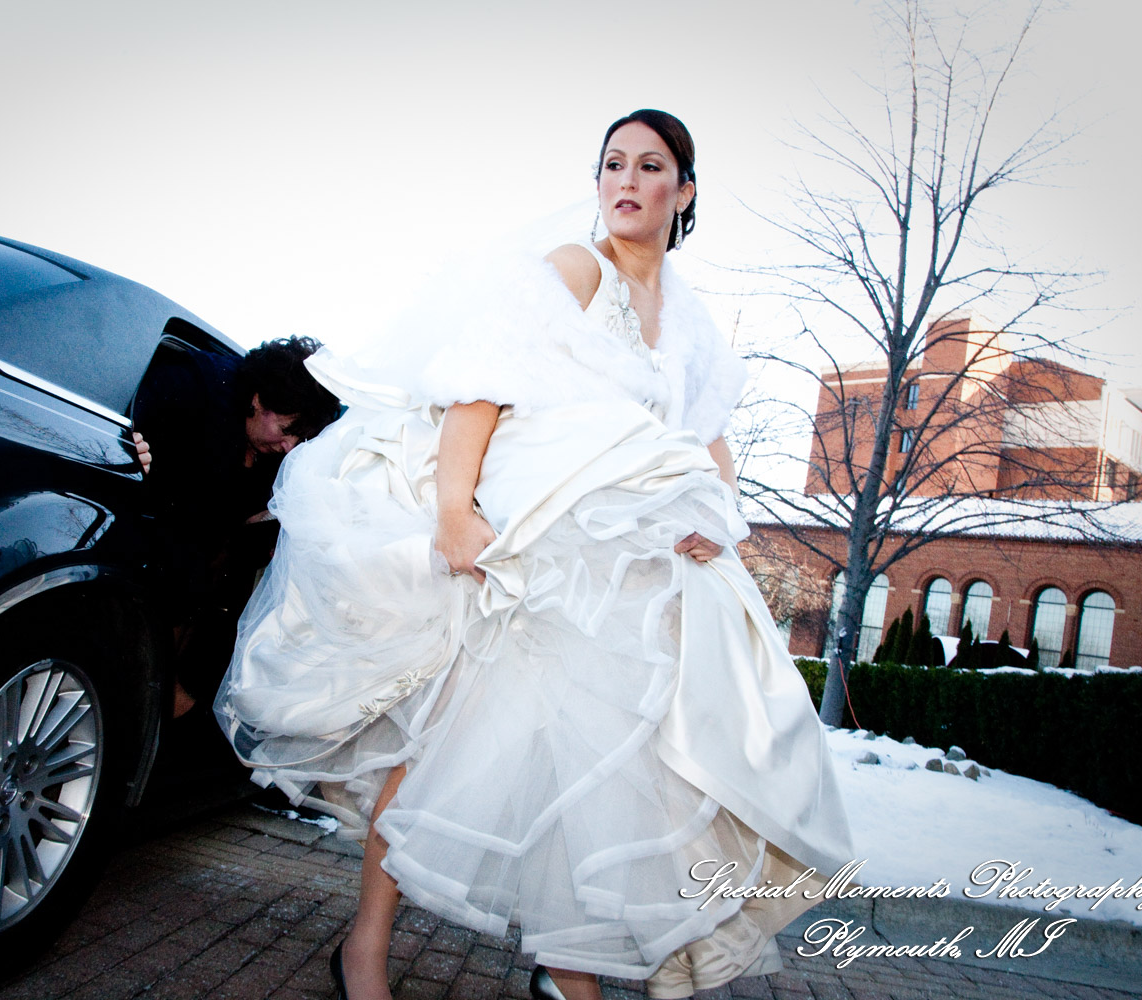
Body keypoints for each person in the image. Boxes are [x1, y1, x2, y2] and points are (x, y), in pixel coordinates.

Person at [216, 111, 852, 1000]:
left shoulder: (694, 325)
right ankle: (365, 948)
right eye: (613, 164)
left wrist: (727, 518)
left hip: (631, 574)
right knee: (446, 744)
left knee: (602, 767)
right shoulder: (573, 271)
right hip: (530, 552)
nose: (627, 180)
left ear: (685, 191)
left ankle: (567, 972)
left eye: (650, 166)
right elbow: (477, 392)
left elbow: (708, 442)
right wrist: (452, 517)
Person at [134, 336, 339, 718]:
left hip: (204, 590)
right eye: (286, 428)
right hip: (150, 567)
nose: (289, 447)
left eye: (301, 437)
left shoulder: (280, 460)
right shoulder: (192, 389)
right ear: (260, 399)